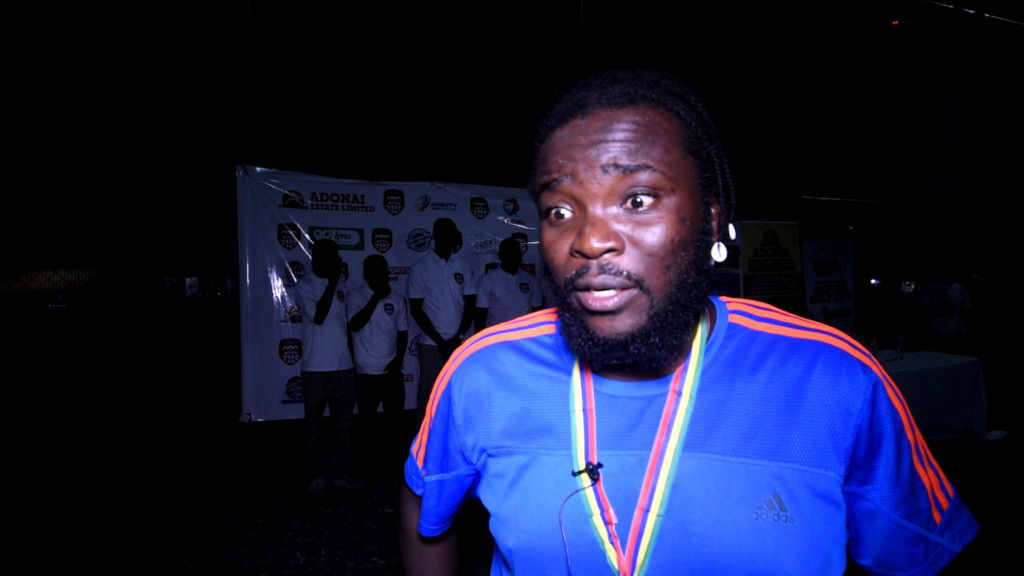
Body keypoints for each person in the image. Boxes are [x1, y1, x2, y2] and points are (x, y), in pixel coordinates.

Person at [399, 71, 977, 575]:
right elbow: (422, 510)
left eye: (637, 200)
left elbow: (921, 555)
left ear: (713, 219)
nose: (590, 239)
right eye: (561, 209)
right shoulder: (484, 372)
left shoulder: (836, 379)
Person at [295, 239, 360, 494]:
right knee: (314, 427)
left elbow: (343, 326)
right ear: (314, 257)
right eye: (322, 256)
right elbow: (318, 317)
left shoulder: (341, 285)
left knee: (343, 425)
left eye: (332, 257)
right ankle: (317, 476)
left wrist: (351, 360)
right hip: (316, 368)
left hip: (343, 367)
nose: (328, 261)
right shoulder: (305, 285)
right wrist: (332, 283)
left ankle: (341, 475)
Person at [408, 218, 476, 426]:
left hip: (460, 345)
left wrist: (458, 338)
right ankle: (424, 441)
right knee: (428, 398)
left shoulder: (464, 266)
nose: (451, 237)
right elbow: (416, 309)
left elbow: (470, 306)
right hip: (432, 346)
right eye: (446, 233)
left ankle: (455, 439)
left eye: (453, 233)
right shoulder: (421, 267)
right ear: (435, 236)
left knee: (460, 396)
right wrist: (441, 342)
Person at [348, 254, 409, 471]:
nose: (381, 276)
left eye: (384, 271)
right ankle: (369, 467)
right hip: (365, 372)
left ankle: (395, 467)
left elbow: (403, 332)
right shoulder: (355, 295)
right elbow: (355, 324)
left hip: (391, 372)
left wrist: (399, 359)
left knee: (395, 422)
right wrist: (376, 298)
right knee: (367, 423)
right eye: (375, 272)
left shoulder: (398, 299)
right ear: (366, 275)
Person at [474, 237, 543, 332]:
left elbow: (537, 315)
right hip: (496, 336)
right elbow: (480, 316)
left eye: (517, 253)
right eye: (509, 253)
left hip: (524, 336)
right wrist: (481, 340)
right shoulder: (487, 280)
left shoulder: (532, 281)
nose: (513, 256)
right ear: (500, 255)